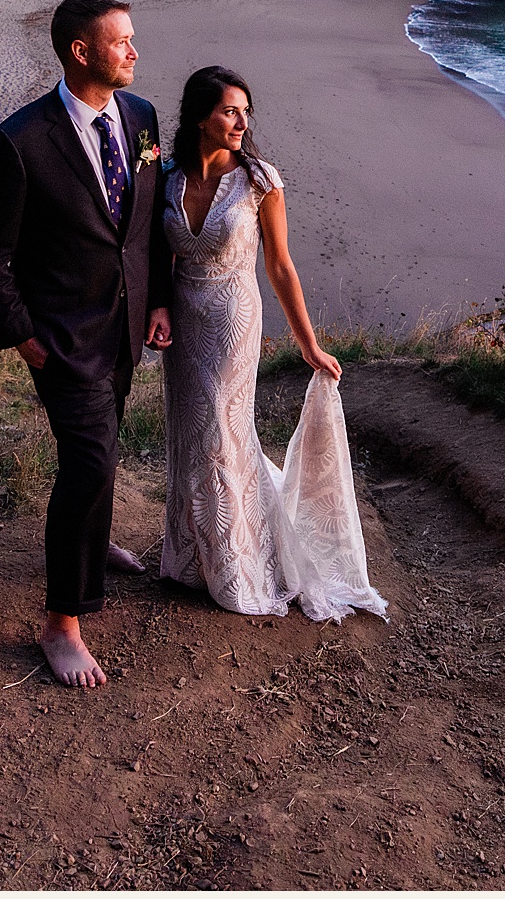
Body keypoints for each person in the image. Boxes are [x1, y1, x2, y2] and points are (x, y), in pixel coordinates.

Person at [0, 0, 173, 688]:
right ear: (81, 52)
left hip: (126, 325)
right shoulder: (19, 142)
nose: (135, 53)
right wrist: (22, 335)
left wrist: (159, 298)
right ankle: (62, 625)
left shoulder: (141, 119)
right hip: (60, 337)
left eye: (134, 39)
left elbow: (142, 227)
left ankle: (88, 539)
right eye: (122, 43)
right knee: (91, 464)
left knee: (100, 449)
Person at [158, 65, 387, 623]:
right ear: (199, 117)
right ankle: (193, 557)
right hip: (184, 319)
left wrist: (308, 343)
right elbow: (154, 256)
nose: (241, 121)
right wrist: (156, 307)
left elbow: (280, 266)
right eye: (229, 110)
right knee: (190, 431)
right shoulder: (164, 175)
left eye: (244, 111)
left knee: (221, 423)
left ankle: (241, 561)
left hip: (235, 314)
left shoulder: (260, 180)